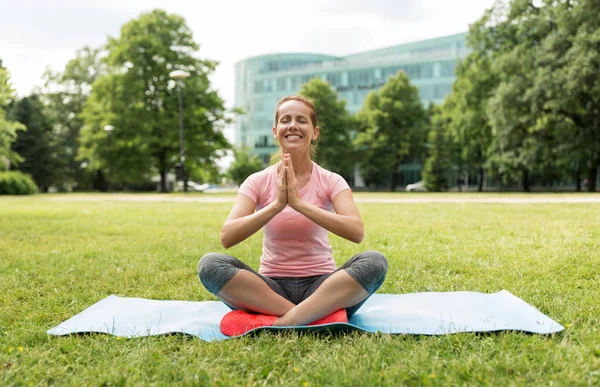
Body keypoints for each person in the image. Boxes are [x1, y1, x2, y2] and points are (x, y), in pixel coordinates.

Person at [198, 96, 388, 336]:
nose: (293, 125)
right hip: (270, 290)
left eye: (302, 120)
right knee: (210, 265)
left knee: (375, 261)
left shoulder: (331, 180)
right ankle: (315, 318)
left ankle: (278, 323)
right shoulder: (257, 181)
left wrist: (298, 204)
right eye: (285, 120)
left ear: (315, 132)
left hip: (322, 287)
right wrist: (277, 204)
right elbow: (228, 236)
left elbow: (356, 232)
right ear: (275, 131)